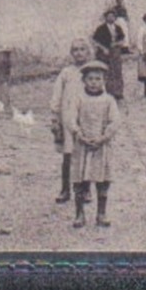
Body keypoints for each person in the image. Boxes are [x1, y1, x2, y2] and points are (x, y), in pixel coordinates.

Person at [68, 61, 121, 228]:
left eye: (98, 79)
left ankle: (101, 213)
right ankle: (79, 214)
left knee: (102, 180)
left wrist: (103, 138)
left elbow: (114, 122)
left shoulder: (109, 100)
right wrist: (79, 134)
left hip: (102, 147)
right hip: (81, 146)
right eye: (90, 79)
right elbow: (71, 119)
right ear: (84, 80)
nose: (94, 82)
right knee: (79, 181)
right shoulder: (78, 99)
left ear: (104, 80)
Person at [48, 38, 91, 205]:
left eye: (82, 49)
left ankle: (85, 189)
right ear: (72, 53)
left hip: (87, 118)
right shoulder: (66, 73)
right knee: (68, 155)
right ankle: (65, 189)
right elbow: (57, 97)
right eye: (75, 50)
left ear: (87, 52)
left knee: (86, 154)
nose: (79, 53)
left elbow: (101, 94)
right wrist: (55, 118)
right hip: (68, 118)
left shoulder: (92, 71)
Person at [91, 9, 128, 101]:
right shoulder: (101, 28)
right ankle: (107, 92)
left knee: (117, 72)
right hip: (105, 53)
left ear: (115, 18)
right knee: (107, 72)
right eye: (109, 16)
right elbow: (95, 40)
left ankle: (118, 92)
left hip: (115, 53)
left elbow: (122, 39)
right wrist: (103, 48)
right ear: (105, 17)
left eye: (113, 16)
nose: (111, 18)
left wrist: (117, 44)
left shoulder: (118, 28)